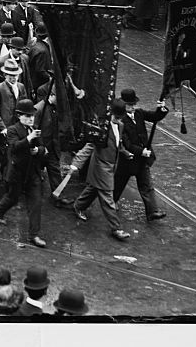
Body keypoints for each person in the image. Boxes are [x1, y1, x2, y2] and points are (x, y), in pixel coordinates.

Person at [68, 98, 133, 242]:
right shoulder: (101, 128)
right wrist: (76, 163)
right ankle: (116, 228)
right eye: (116, 117)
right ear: (111, 114)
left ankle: (78, 206)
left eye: (120, 117)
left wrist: (126, 153)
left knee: (93, 189)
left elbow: (118, 144)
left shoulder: (120, 126)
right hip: (101, 166)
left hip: (110, 166)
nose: (118, 120)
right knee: (107, 197)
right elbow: (89, 146)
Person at [0, 98, 48, 247]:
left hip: (33, 173)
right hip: (17, 172)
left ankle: (33, 235)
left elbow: (44, 149)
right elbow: (14, 147)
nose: (30, 119)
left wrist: (38, 150)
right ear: (19, 116)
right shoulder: (13, 130)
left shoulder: (35, 129)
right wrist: (29, 138)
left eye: (32, 116)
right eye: (27, 116)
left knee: (36, 203)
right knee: (12, 197)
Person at [112, 89, 168, 222]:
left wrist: (161, 108)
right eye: (129, 105)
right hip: (128, 159)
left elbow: (155, 117)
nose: (132, 107)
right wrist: (140, 151)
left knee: (146, 185)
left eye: (133, 104)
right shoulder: (121, 121)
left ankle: (152, 211)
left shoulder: (139, 113)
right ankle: (112, 201)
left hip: (142, 159)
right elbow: (126, 143)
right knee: (119, 183)